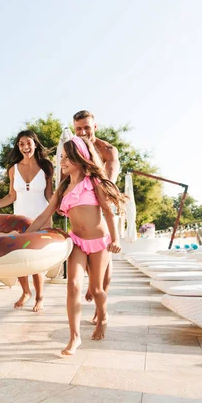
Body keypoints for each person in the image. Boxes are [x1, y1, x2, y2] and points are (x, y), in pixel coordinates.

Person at [26, 136, 123, 355]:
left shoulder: (94, 183)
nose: (63, 162)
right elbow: (44, 216)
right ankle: (75, 337)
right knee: (73, 286)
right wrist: (25, 235)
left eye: (68, 158)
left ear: (81, 158)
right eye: (62, 157)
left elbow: (108, 212)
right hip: (77, 242)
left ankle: (103, 316)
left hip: (99, 243)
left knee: (97, 289)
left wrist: (115, 239)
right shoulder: (63, 188)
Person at [0, 130, 53, 312]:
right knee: (19, 258)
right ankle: (25, 292)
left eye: (28, 143)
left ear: (35, 144)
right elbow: (11, 196)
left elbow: (49, 194)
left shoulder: (46, 167)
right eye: (21, 144)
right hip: (20, 219)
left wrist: (60, 206)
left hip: (41, 218)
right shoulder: (13, 169)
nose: (25, 147)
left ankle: (39, 297)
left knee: (36, 260)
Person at [72, 110, 121, 324]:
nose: (83, 132)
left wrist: (102, 199)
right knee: (95, 261)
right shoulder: (74, 148)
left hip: (106, 202)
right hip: (88, 204)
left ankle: (100, 301)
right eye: (78, 129)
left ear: (95, 127)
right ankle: (95, 285)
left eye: (87, 128)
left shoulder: (107, 150)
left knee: (106, 264)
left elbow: (109, 180)